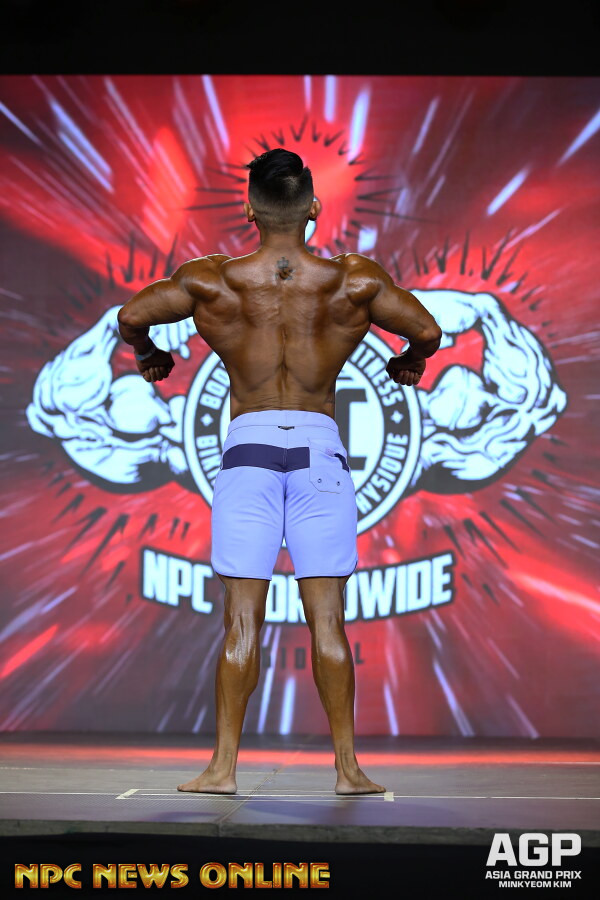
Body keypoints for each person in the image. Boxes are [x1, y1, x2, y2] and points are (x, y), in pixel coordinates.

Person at [117, 148, 442, 794]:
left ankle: (222, 770)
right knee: (329, 620)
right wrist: (408, 363)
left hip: (249, 450)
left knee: (242, 620)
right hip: (320, 450)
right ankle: (348, 770)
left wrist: (151, 354)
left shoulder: (214, 280)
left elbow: (131, 318)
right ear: (314, 207)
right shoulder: (353, 280)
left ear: (249, 210)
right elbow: (427, 331)